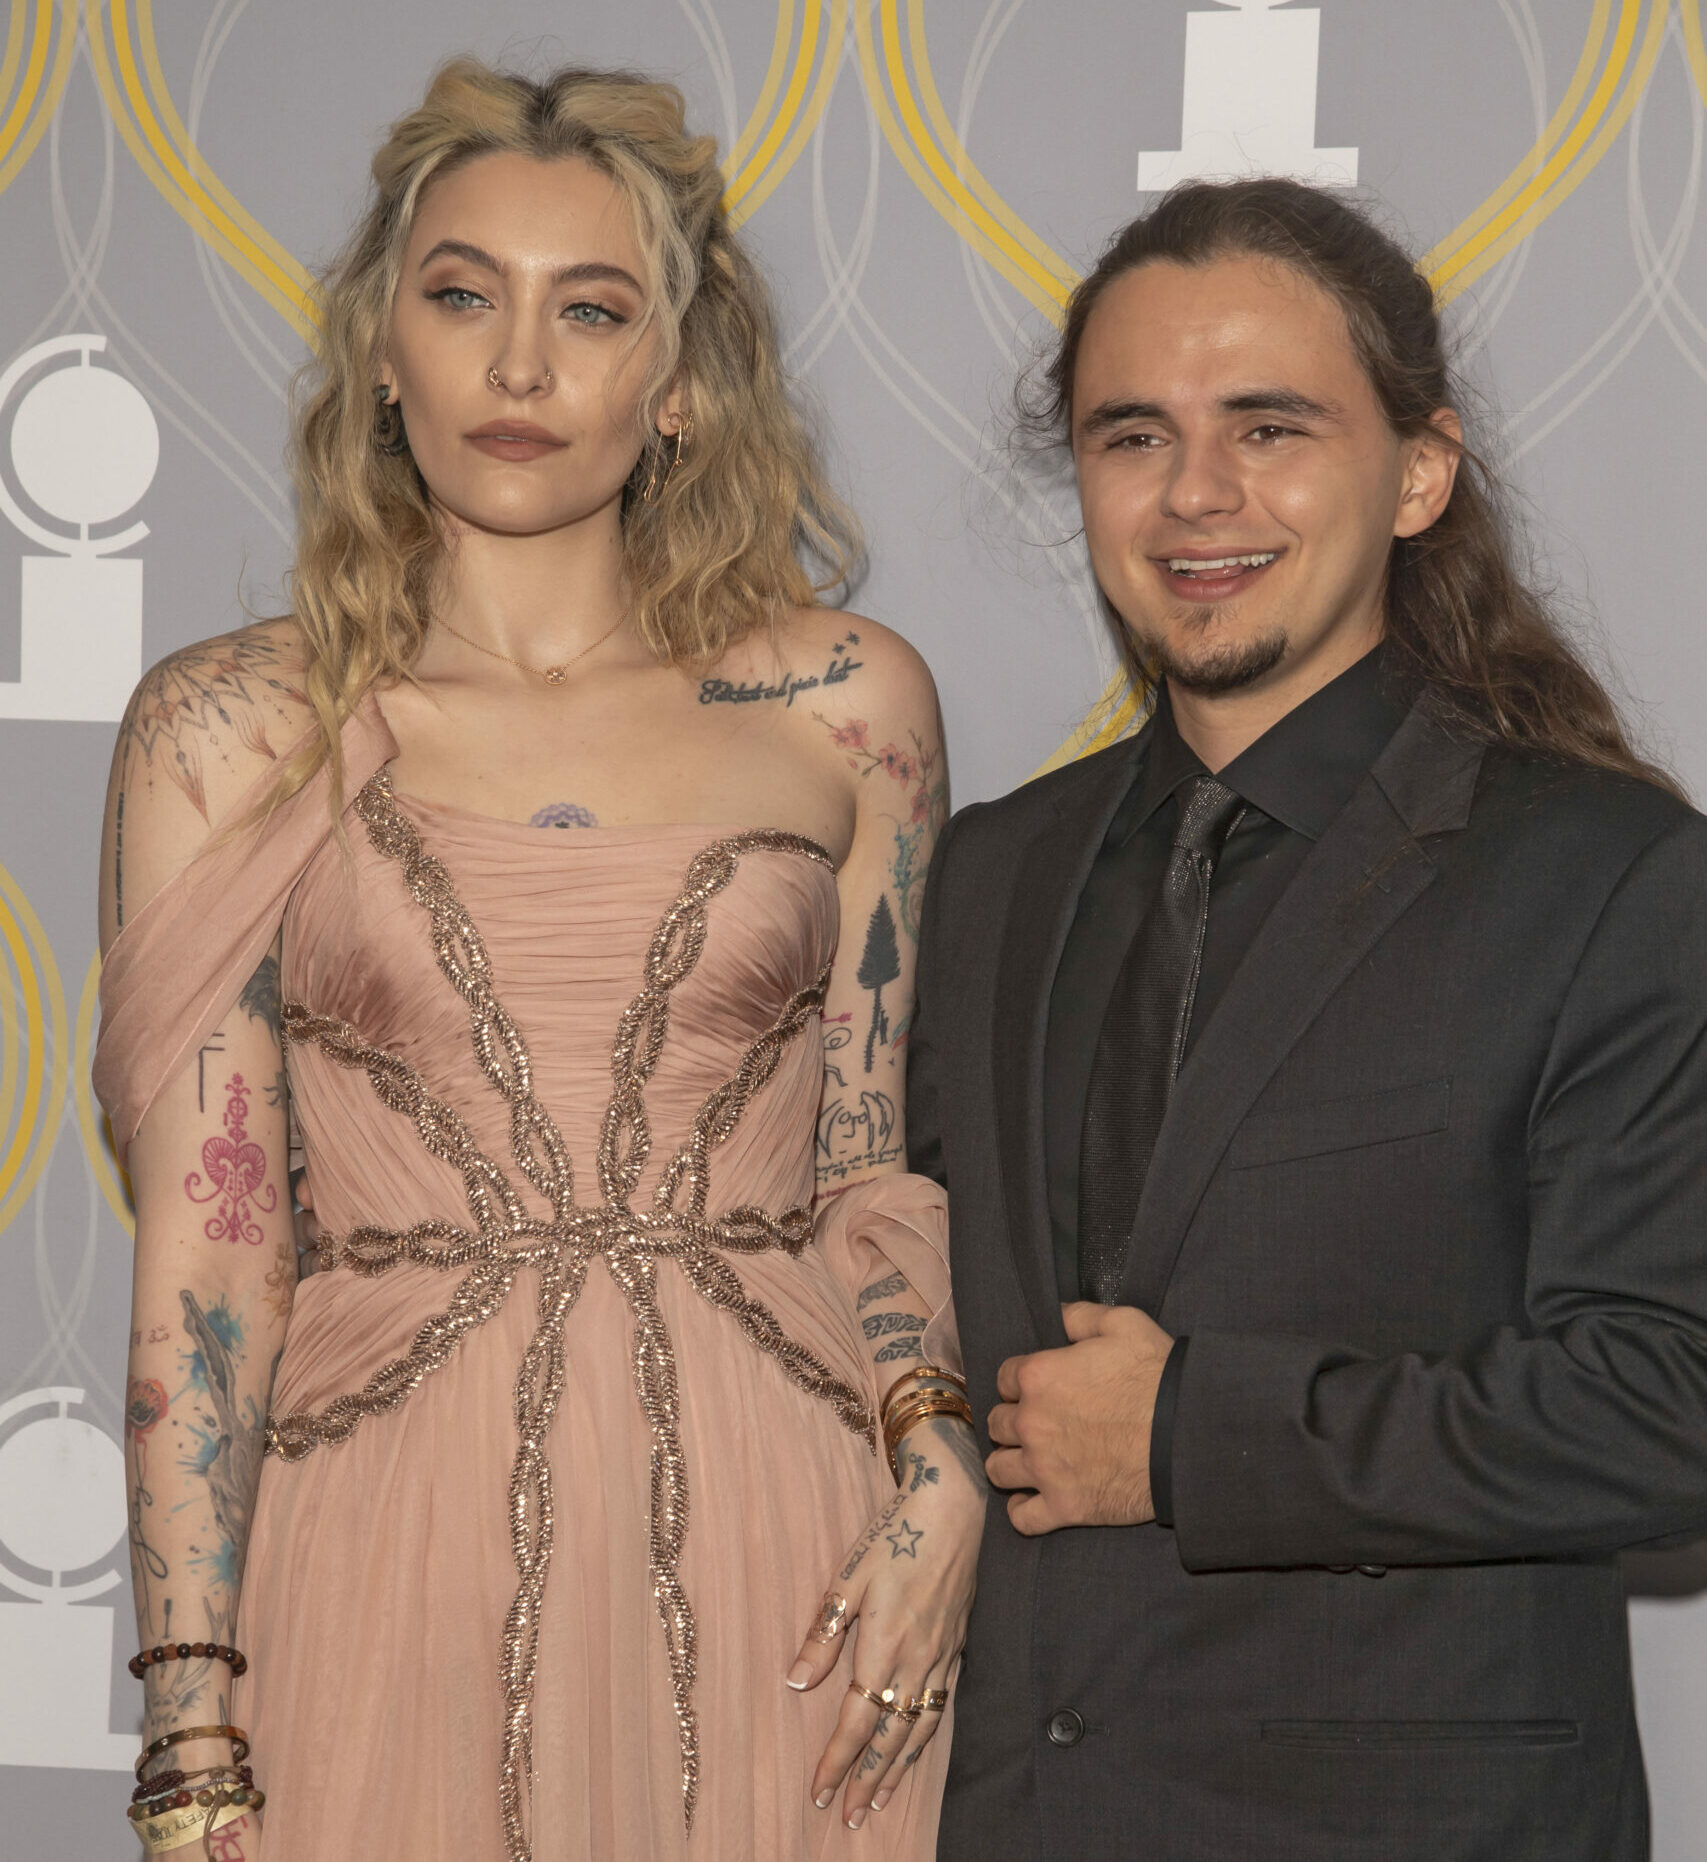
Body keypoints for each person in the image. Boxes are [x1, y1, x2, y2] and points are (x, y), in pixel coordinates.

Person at [96, 59, 982, 1862]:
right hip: (387, 1531)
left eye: (591, 310)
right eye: (460, 296)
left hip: (780, 1535)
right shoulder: (229, 727)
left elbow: (865, 1157)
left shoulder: (846, 707)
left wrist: (935, 1456)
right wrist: (191, 1727)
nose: (520, 368)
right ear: (381, 351)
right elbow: (215, 1259)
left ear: (675, 381)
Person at [907, 177, 1707, 1862]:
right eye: (1133, 436)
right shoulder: (986, 875)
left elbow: (1668, 1406)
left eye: (1270, 426)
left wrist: (1198, 1433)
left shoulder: (1609, 874)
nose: (1198, 492)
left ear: (1420, 469)